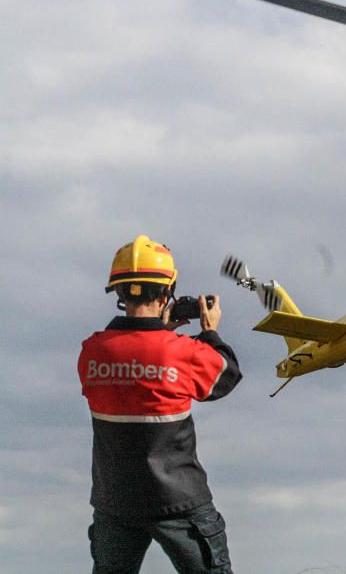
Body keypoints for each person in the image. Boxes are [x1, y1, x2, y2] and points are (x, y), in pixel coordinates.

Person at [79, 235, 242, 573]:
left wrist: (157, 330)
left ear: (119, 293)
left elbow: (131, 361)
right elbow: (226, 376)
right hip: (179, 501)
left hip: (115, 501)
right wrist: (210, 332)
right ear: (167, 292)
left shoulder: (92, 351)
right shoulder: (180, 351)